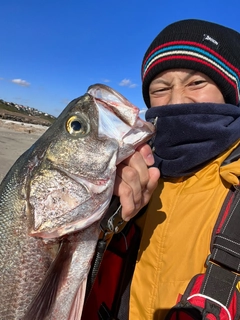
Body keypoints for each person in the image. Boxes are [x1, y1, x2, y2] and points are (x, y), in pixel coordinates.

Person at [83, 19, 240, 320]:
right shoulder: (126, 171)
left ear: (230, 93)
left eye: (196, 83)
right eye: (161, 88)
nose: (177, 101)